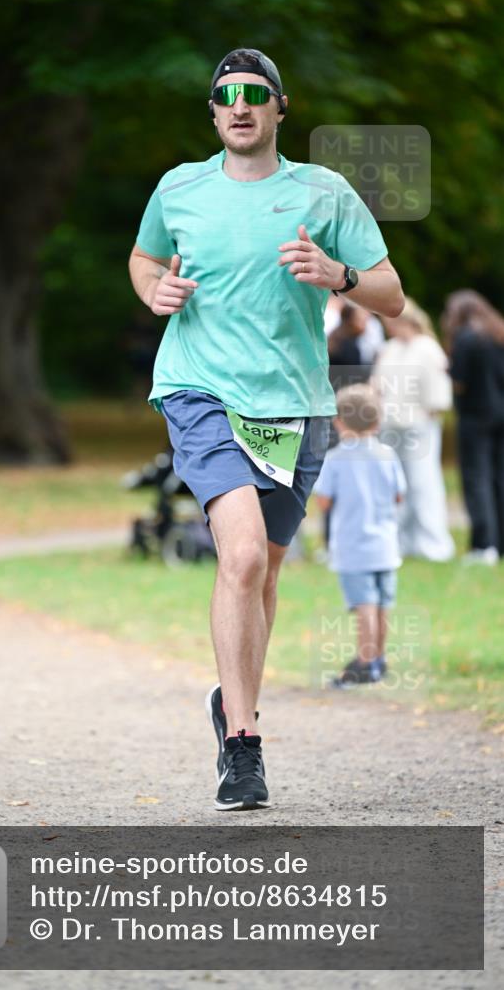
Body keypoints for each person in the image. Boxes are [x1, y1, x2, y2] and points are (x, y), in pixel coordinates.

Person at [128, 47, 404, 810]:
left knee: (268, 570)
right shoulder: (178, 187)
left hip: (294, 405)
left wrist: (337, 274)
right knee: (241, 556)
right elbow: (143, 257)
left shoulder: (323, 192)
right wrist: (157, 290)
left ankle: (230, 700)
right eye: (225, 96)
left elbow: (390, 294)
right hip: (199, 390)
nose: (240, 106)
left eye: (255, 94)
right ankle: (243, 746)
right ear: (213, 113)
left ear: (281, 108)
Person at [313, 384, 406, 686]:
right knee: (381, 605)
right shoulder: (388, 454)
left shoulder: (337, 458)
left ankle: (364, 663)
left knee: (363, 605)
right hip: (386, 546)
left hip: (353, 546)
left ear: (338, 421)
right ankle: (378, 657)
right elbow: (398, 496)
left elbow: (323, 501)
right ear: (377, 422)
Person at [371, 298, 455, 561]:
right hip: (390, 426)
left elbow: (438, 393)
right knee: (397, 486)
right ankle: (402, 542)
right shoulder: (390, 349)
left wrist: (426, 415)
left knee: (423, 483)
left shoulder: (428, 348)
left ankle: (434, 544)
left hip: (419, 428)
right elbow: (378, 384)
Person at [442, 290, 504, 564]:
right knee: (498, 478)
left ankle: (483, 543)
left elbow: (459, 381)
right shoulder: (496, 335)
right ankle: (498, 543)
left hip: (475, 415)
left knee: (476, 479)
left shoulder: (467, 339)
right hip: (500, 413)